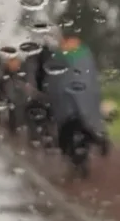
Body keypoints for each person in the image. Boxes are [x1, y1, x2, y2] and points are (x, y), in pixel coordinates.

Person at [36, 32, 111, 172]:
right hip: (78, 102)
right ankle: (94, 143)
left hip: (68, 104)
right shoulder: (83, 53)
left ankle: (81, 151)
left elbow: (51, 80)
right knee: (84, 125)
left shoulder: (61, 55)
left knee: (72, 128)